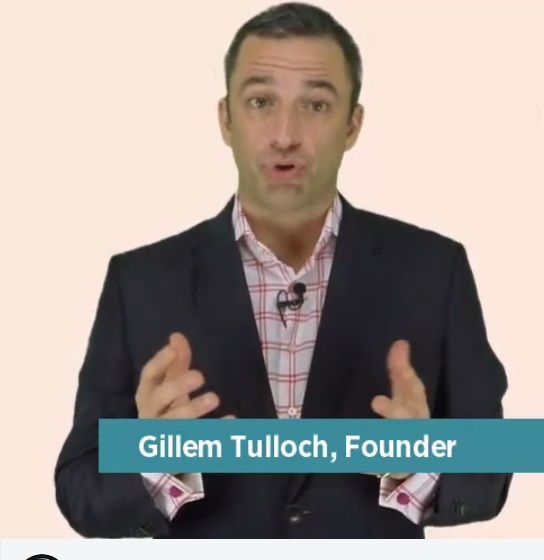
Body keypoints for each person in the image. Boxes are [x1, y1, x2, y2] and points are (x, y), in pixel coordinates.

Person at [54, 2, 511, 539]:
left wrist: (422, 465)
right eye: (261, 102)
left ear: (353, 124)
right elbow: (80, 489)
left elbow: (491, 469)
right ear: (226, 119)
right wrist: (151, 462)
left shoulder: (435, 270)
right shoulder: (140, 282)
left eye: (316, 105)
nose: (285, 134)